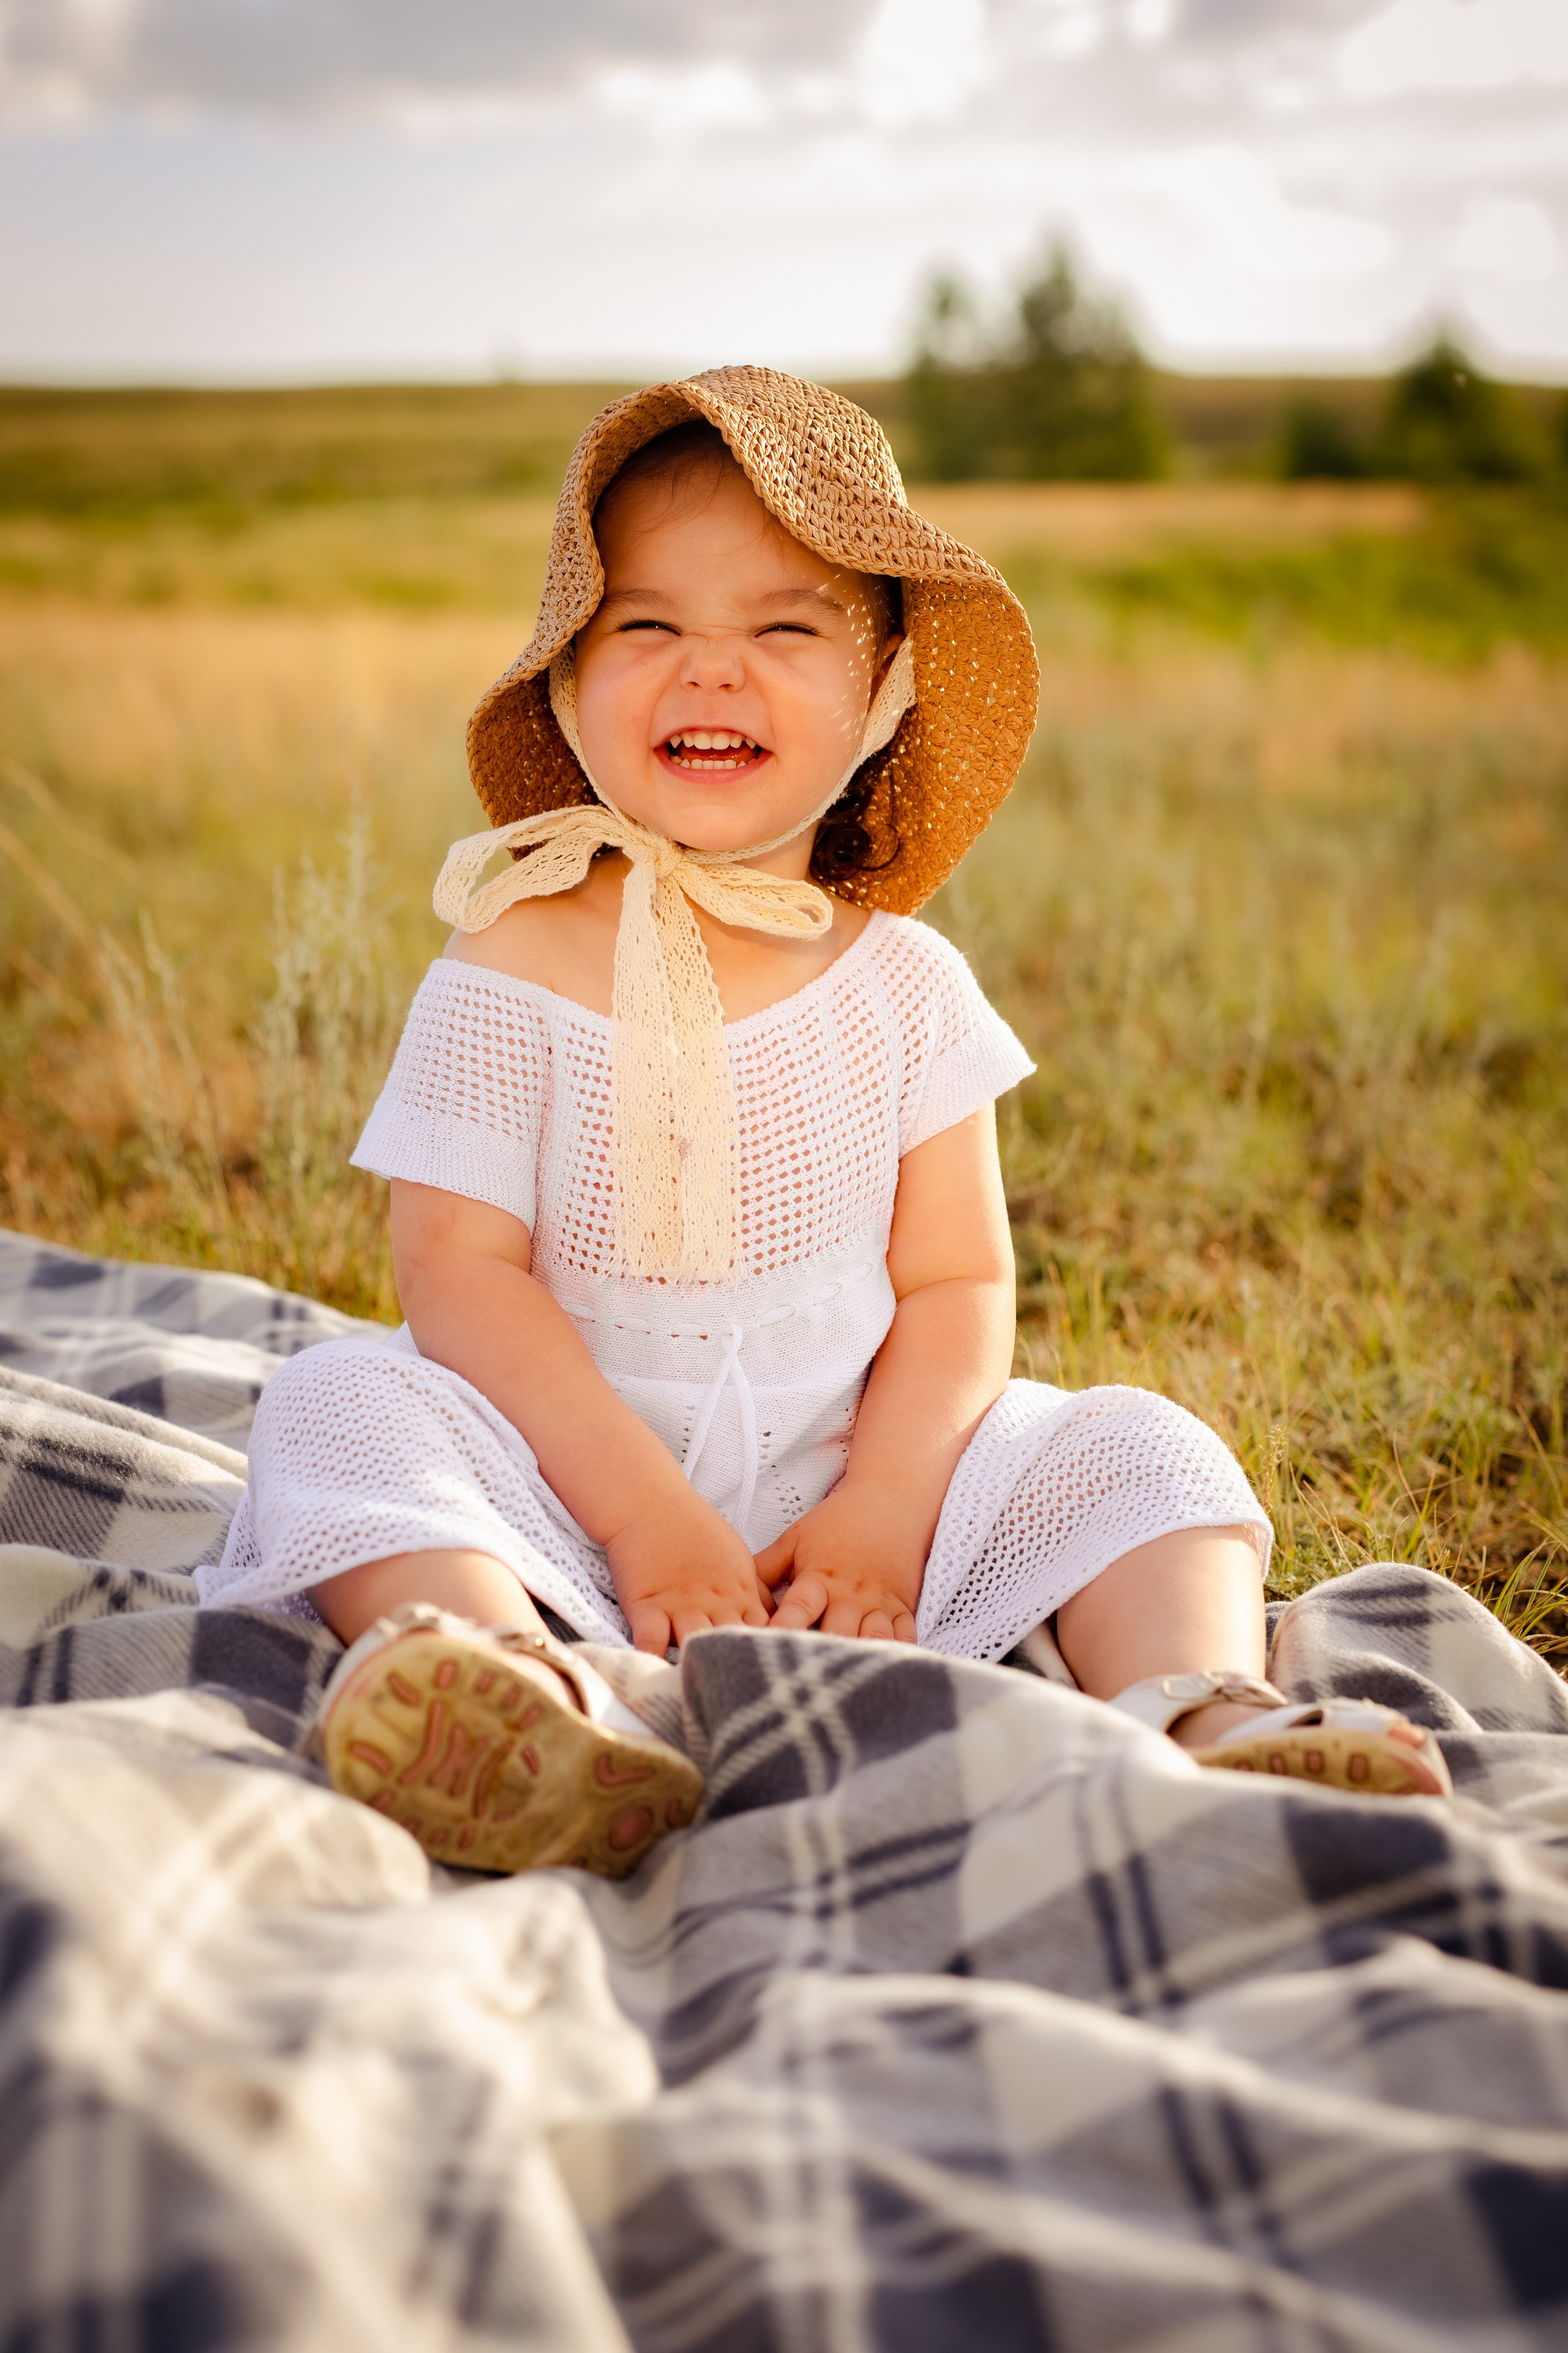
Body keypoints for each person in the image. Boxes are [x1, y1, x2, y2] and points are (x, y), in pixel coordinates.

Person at [200, 369, 1449, 1876]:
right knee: (338, 1401)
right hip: (566, 1495)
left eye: (783, 631)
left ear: (882, 694)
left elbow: (957, 1283)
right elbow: (458, 1275)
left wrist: (887, 1512)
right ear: (569, 683)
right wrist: (646, 1522)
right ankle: (503, 1688)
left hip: (857, 1503)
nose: (709, 674)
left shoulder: (902, 986)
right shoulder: (508, 954)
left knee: (1139, 1445)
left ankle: (1203, 1708)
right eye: (644, 627)